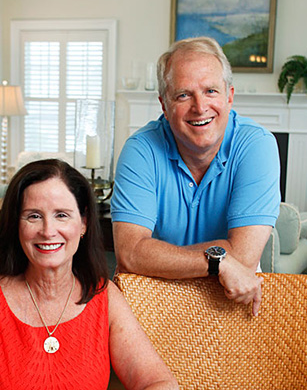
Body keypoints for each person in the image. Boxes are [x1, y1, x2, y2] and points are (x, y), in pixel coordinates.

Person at [0, 159, 178, 389]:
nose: (48, 231)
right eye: (34, 216)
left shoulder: (104, 296)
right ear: (16, 225)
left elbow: (159, 382)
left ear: (83, 223)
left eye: (61, 215)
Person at [111, 37, 280, 316]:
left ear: (229, 96)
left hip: (232, 300)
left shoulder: (257, 145)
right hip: (157, 300)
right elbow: (129, 254)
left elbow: (245, 256)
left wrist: (156, 257)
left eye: (211, 90)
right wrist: (219, 262)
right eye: (183, 95)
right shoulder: (140, 150)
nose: (200, 107)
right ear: (164, 105)